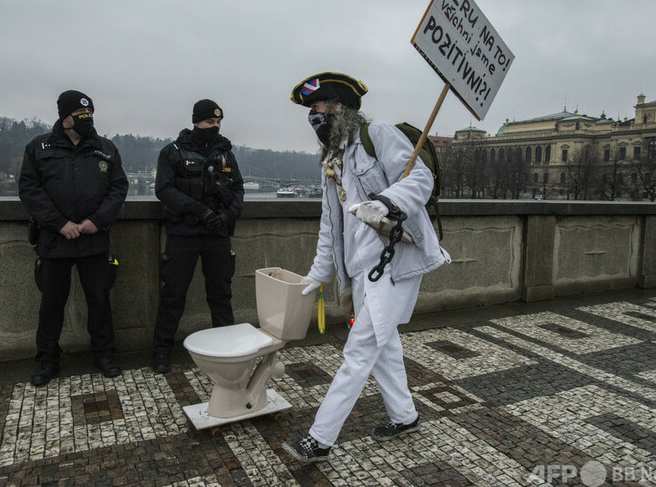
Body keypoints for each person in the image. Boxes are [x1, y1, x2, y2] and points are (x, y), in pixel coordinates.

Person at [282, 72, 450, 463]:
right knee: (383, 345)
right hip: (361, 270)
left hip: (394, 260)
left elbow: (419, 180)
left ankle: (319, 439)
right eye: (311, 110)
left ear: (340, 108)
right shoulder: (332, 159)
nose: (314, 116)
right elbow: (331, 226)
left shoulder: (380, 134)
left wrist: (387, 203)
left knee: (360, 351)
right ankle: (405, 417)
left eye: (319, 107)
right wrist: (317, 275)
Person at [19, 90, 129, 386]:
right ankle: (47, 360)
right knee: (52, 303)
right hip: (55, 239)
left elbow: (118, 188)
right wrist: (58, 223)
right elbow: (30, 190)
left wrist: (98, 220)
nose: (86, 120)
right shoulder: (39, 147)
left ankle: (104, 354)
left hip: (94, 238)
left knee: (99, 300)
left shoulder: (105, 148)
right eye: (80, 115)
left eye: (90, 114)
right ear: (64, 117)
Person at [152, 99, 244, 374]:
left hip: (217, 233)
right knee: (173, 294)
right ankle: (161, 351)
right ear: (195, 122)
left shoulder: (226, 153)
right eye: (209, 123)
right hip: (184, 233)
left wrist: (229, 215)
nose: (214, 127)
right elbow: (164, 189)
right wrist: (198, 210)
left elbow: (238, 189)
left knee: (221, 294)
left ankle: (227, 350)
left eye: (218, 123)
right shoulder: (173, 152)